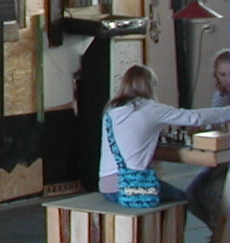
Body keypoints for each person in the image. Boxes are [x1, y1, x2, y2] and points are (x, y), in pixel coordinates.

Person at [98, 63, 230, 212]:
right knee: (185, 198)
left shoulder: (111, 109)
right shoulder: (149, 108)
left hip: (106, 186)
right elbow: (194, 118)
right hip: (131, 187)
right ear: (148, 86)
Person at [186, 49, 230, 241]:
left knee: (213, 194)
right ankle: (219, 237)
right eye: (223, 74)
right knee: (192, 194)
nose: (228, 80)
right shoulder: (220, 96)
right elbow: (215, 125)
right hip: (221, 157)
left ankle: (222, 240)